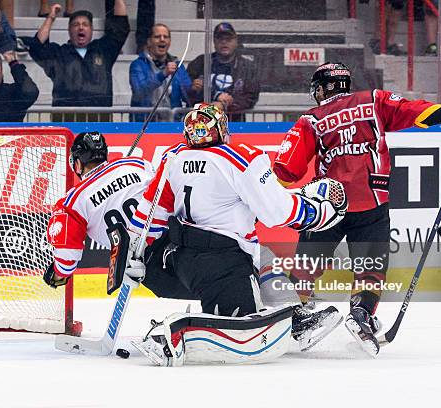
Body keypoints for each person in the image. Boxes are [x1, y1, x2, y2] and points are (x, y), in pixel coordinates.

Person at [273, 62, 441, 356]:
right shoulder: (373, 101)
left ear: (322, 88)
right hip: (371, 200)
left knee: (307, 264)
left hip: (328, 205)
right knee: (371, 266)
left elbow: (286, 171)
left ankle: (296, 313)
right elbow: (417, 111)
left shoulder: (311, 120)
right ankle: (361, 312)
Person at [128, 103, 347, 366]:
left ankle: (295, 318)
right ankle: (174, 332)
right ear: (221, 128)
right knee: (245, 331)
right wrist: (316, 213)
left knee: (264, 257)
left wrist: (136, 253)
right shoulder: (240, 157)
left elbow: (150, 212)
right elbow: (276, 212)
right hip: (222, 263)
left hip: (179, 261)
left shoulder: (173, 156)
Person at [42, 131, 197, 301]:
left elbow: (67, 258)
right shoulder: (136, 163)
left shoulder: (72, 202)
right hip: (180, 234)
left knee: (194, 290)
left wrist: (56, 276)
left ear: (77, 164)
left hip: (145, 263)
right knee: (211, 287)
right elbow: (164, 189)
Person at [29, 1, 129, 112]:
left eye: (85, 24)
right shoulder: (59, 54)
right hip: (66, 121)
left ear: (91, 30)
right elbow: (37, 46)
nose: (81, 27)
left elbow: (120, 29)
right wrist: (51, 18)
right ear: (69, 30)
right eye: (75, 25)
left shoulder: (102, 50)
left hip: (99, 120)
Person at [186, 22, 260, 121]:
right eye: (220, 39)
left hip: (235, 124)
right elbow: (186, 92)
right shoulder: (200, 63)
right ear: (214, 42)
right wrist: (196, 90)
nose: (224, 42)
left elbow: (251, 97)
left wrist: (224, 105)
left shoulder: (247, 67)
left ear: (236, 42)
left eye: (228, 39)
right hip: (203, 125)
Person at [129, 23, 191, 122]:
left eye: (166, 37)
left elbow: (188, 96)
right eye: (157, 37)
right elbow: (139, 91)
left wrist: (195, 88)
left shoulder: (178, 66)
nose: (162, 39)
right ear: (149, 42)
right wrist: (162, 75)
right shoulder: (138, 65)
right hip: (145, 124)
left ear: (169, 42)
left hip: (171, 124)